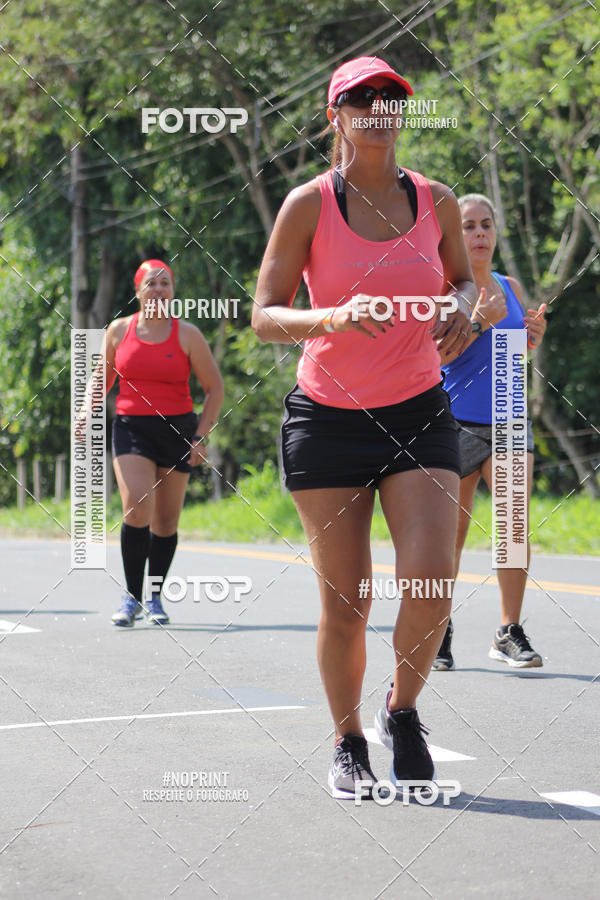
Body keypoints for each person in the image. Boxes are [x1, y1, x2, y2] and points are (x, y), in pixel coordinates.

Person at [252, 56, 476, 798]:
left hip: (418, 410)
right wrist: (333, 317)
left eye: (392, 96)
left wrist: (465, 305)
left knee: (434, 582)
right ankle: (348, 738)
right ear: (335, 115)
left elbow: (466, 279)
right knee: (347, 601)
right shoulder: (307, 205)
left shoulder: (436, 200)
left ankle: (401, 711)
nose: (379, 106)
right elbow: (264, 314)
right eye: (361, 97)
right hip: (328, 420)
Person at [434, 194, 547, 671]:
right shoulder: (444, 292)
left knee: (513, 528)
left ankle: (508, 631)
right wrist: (481, 321)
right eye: (468, 226)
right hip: (455, 422)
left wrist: (530, 337)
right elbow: (435, 358)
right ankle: (438, 628)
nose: (478, 234)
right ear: (454, 237)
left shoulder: (510, 286)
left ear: (495, 232)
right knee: (449, 536)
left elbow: (514, 353)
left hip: (507, 417)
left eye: (485, 225)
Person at [100, 259, 224, 627]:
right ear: (137, 291)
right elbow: (101, 379)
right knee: (137, 505)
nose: (158, 289)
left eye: (165, 283)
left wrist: (201, 436)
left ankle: (154, 596)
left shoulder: (187, 334)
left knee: (166, 522)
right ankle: (131, 597)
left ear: (173, 291)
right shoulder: (119, 331)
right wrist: (84, 414)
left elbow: (214, 389)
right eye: (150, 283)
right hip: (131, 427)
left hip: (178, 430)